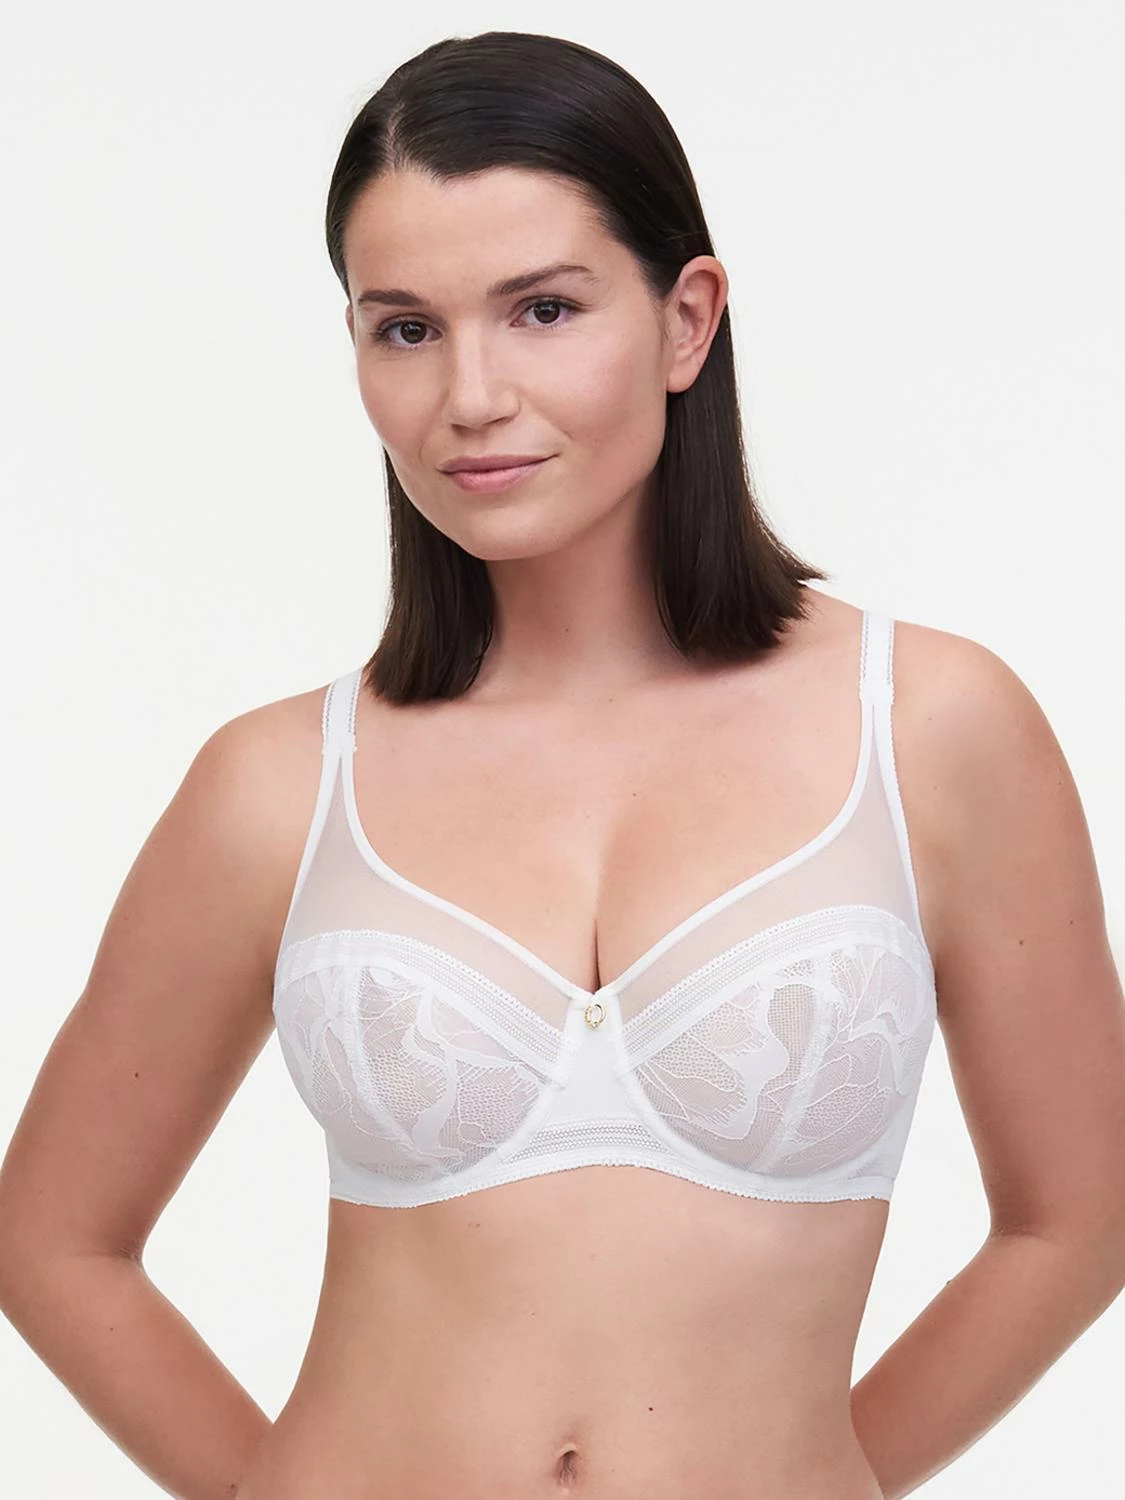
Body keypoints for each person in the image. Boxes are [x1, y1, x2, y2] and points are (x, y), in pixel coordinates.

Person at [1, 28, 1123, 1500]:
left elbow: (1078, 1222)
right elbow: (51, 1238)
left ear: (686, 321)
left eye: (542, 309)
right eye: (406, 329)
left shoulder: (930, 729)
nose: (470, 396)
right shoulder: (277, 784)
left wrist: (831, 1477)